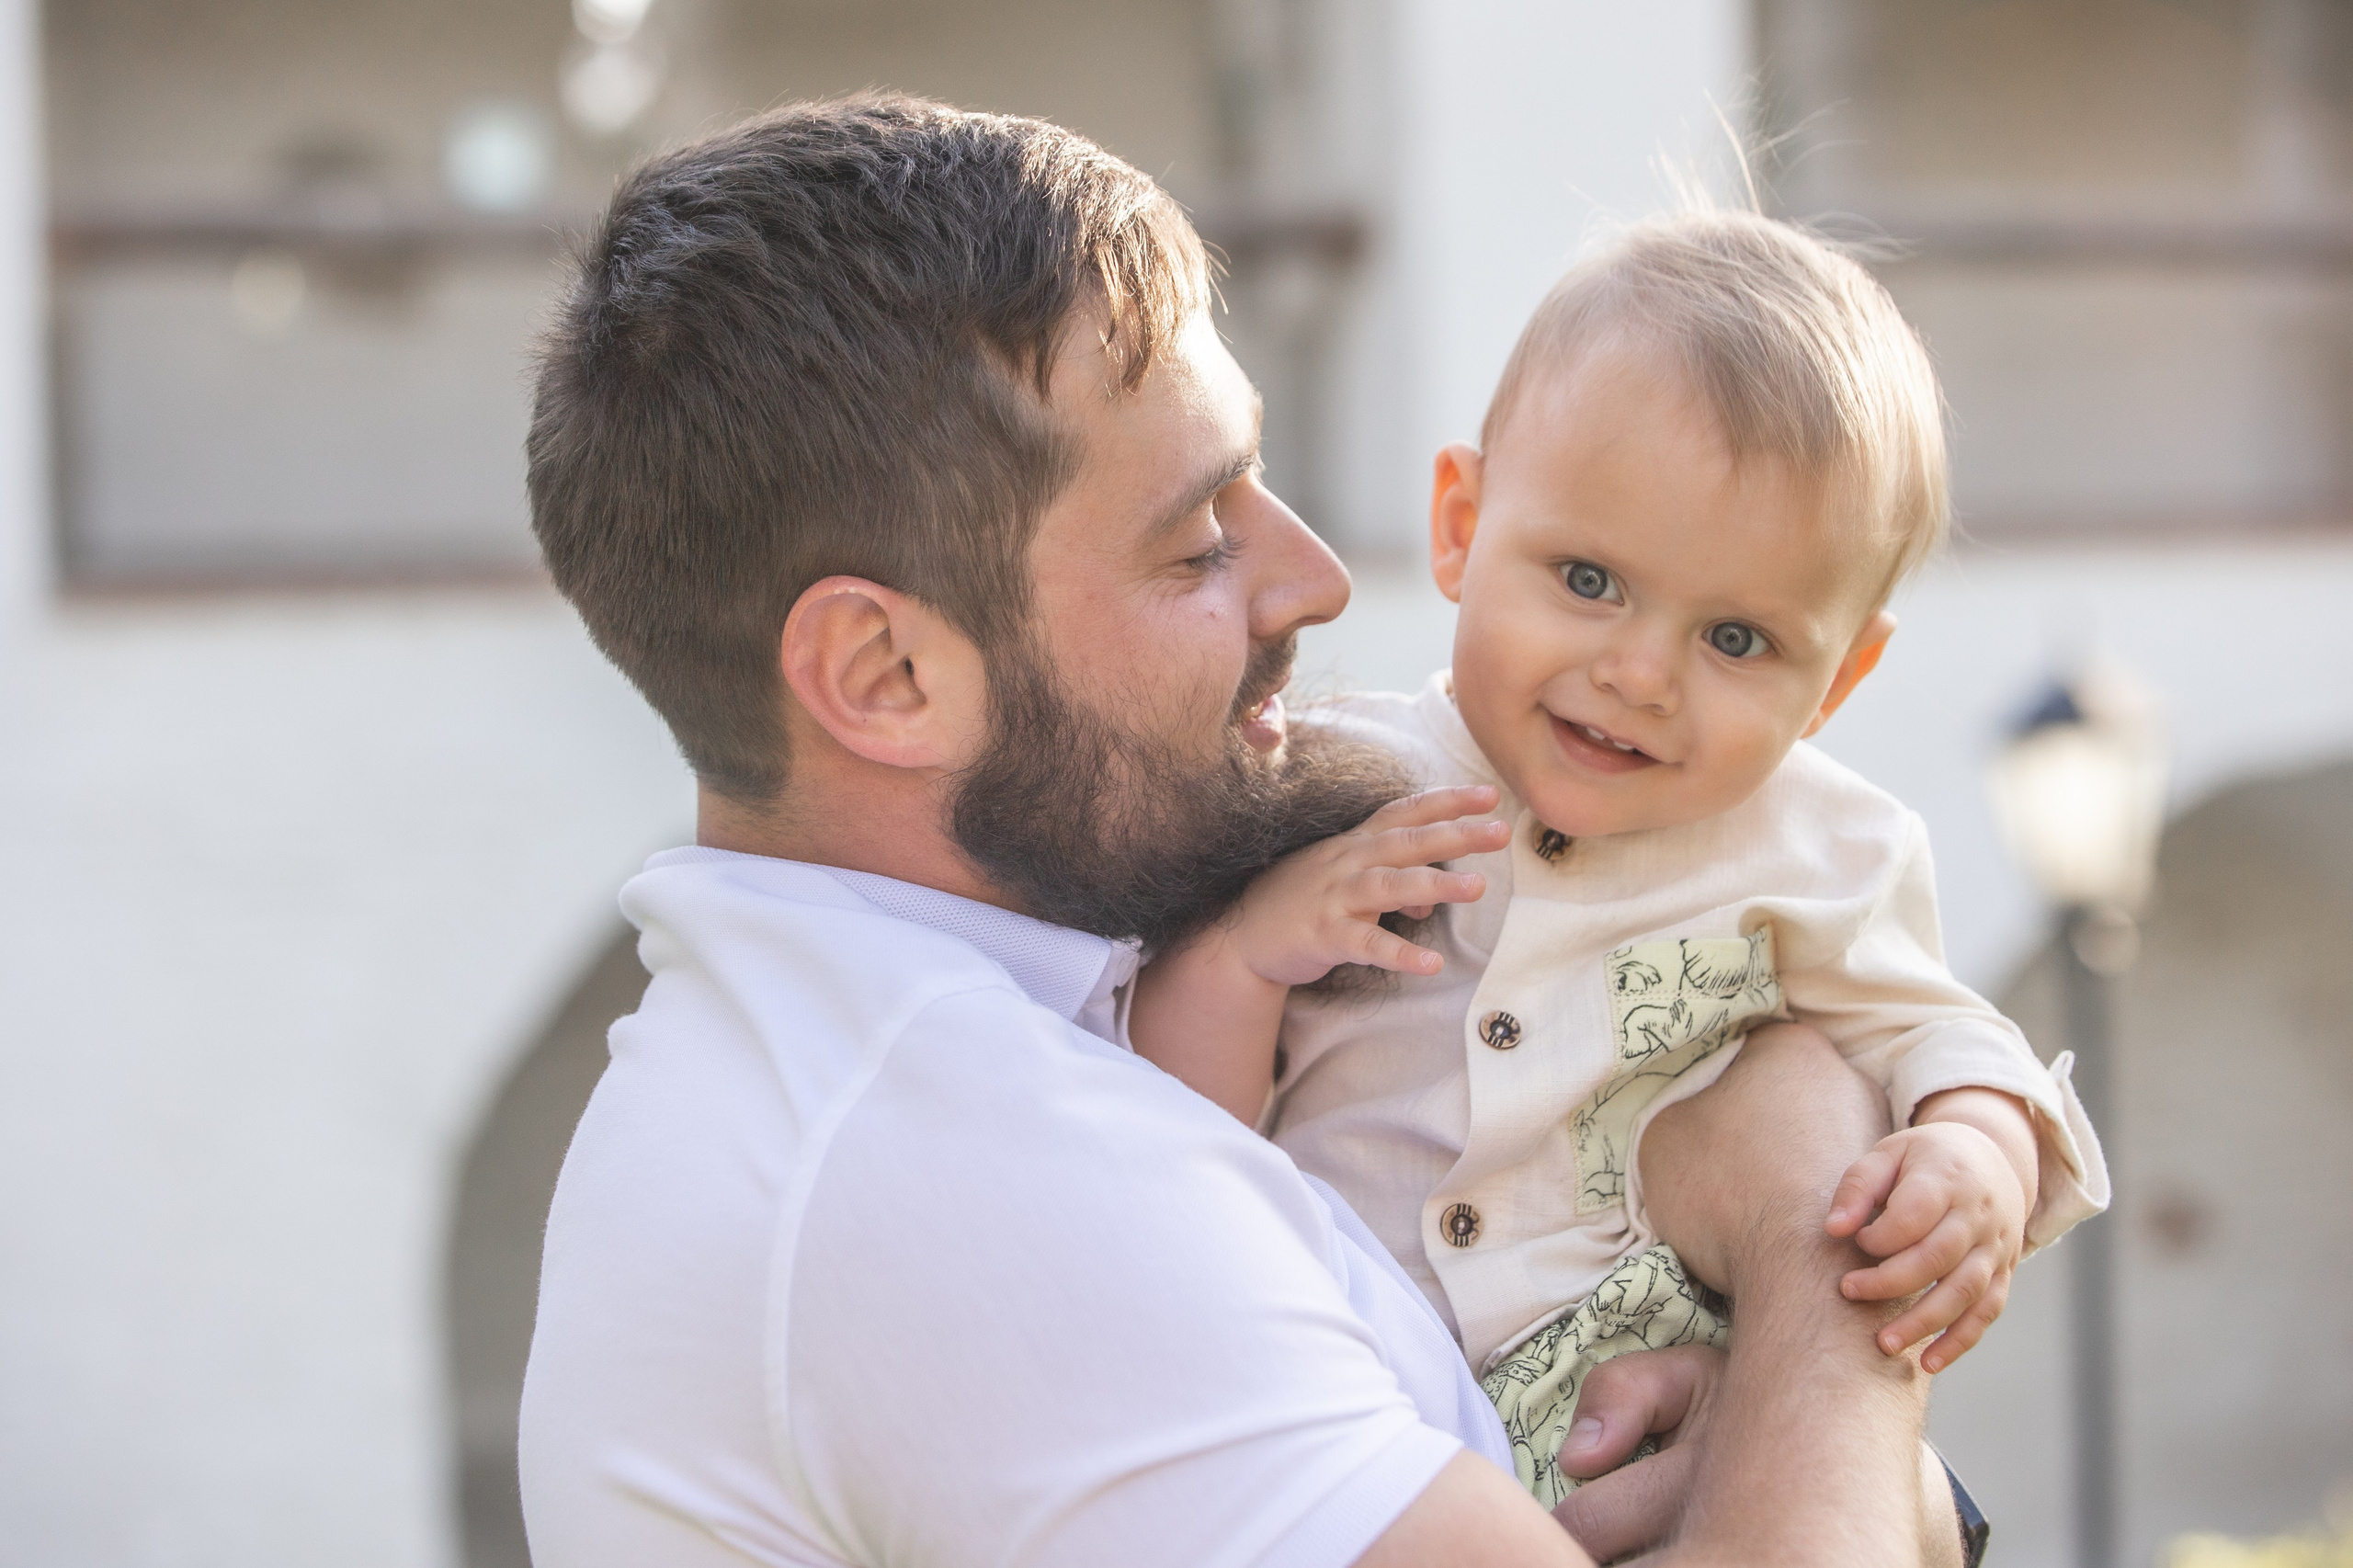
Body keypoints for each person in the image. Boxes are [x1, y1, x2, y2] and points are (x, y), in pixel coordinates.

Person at [517, 95, 1968, 1567]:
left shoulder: (862, 1072)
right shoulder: (978, 1176)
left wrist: (1835, 1474)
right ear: (887, 675)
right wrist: (1805, 1213)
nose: (1316, 579)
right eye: (1199, 540)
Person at [1127, 210, 2110, 1506]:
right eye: (1589, 579)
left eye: (1738, 640)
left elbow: (1944, 1034)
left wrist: (1976, 1151)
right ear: (1462, 524)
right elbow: (1164, 1132)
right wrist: (1247, 955)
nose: (1641, 674)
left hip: (1646, 1453)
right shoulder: (1323, 784)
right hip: (1351, 1432)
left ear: (1839, 678)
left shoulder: (1823, 850)